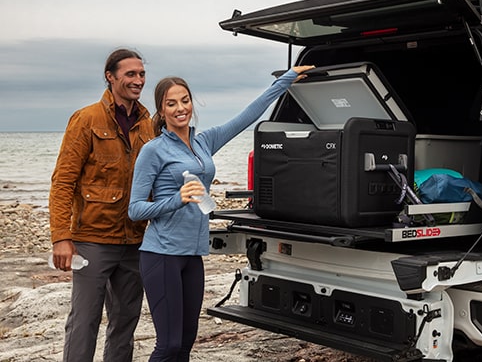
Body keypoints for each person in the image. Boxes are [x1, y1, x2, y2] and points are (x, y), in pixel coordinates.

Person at [128, 64, 315, 360]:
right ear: (161, 112)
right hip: (161, 254)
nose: (180, 108)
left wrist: (287, 79)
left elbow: (248, 116)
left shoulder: (204, 142)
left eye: (185, 100)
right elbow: (135, 209)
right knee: (169, 345)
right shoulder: (154, 150)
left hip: (193, 254)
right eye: (171, 103)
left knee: (187, 342)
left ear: (192, 103)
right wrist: (178, 199)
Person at [49, 48, 155, 362]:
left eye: (141, 74)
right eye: (130, 74)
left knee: (125, 323)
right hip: (92, 241)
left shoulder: (149, 124)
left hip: (135, 241)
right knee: (84, 322)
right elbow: (63, 181)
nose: (138, 80)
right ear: (110, 77)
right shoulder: (86, 119)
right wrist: (61, 237)